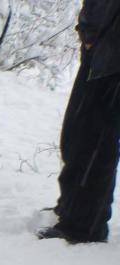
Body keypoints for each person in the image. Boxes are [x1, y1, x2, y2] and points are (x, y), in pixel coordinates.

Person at [38, 0, 120, 245]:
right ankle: (73, 207)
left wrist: (93, 33)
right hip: (102, 51)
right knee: (77, 135)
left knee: (93, 141)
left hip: (111, 56)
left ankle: (84, 225)